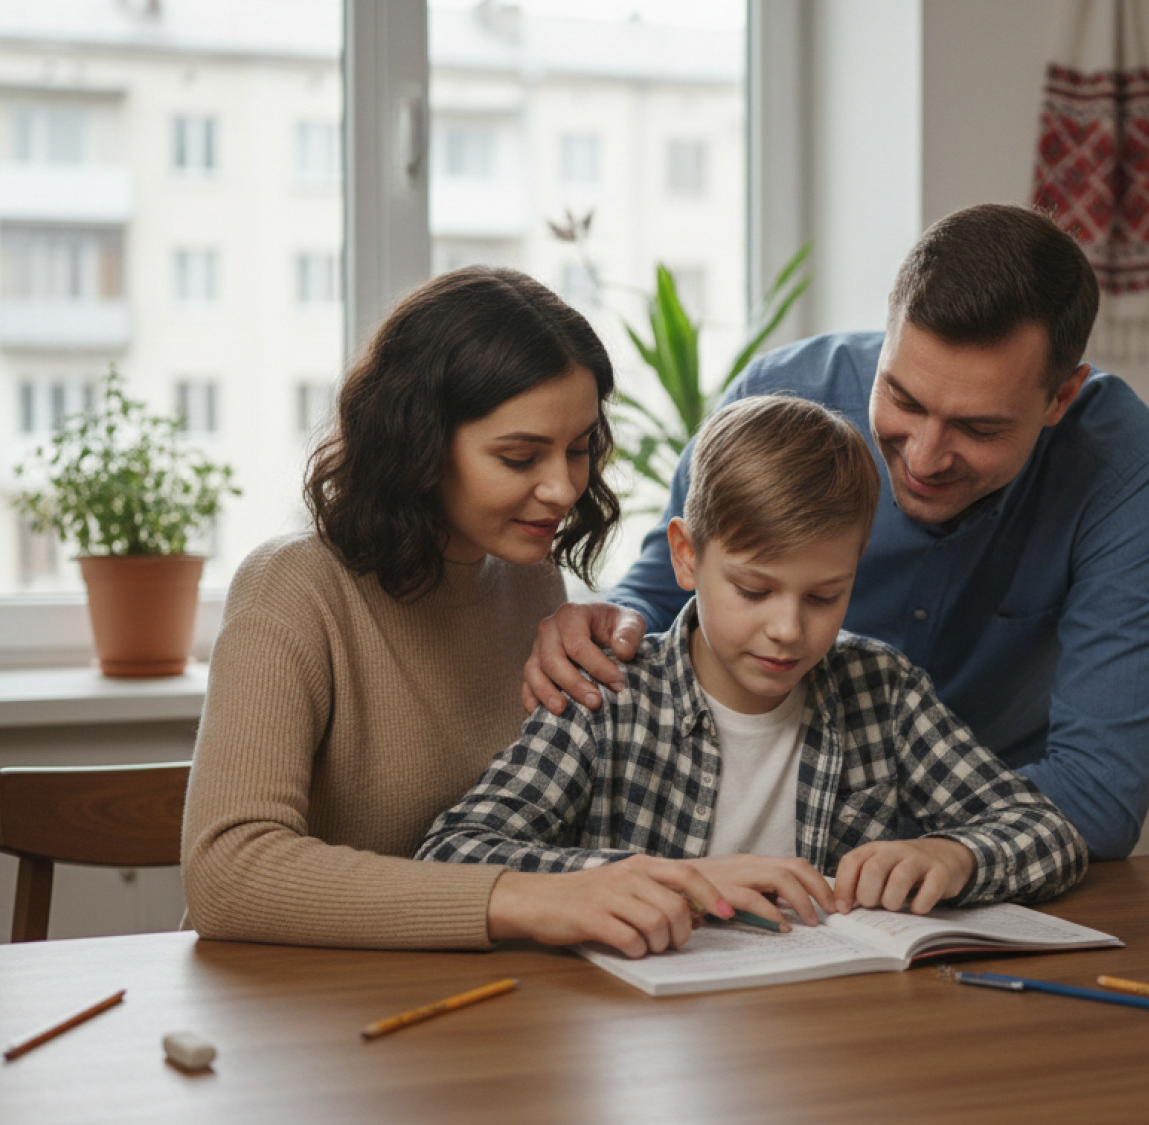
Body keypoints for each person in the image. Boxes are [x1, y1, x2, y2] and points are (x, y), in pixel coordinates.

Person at [522, 204, 1149, 860]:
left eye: (979, 429)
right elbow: (669, 592)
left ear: (1060, 399)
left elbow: (1100, 794)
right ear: (890, 333)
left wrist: (943, 853)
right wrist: (602, 626)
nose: (923, 459)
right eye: (903, 399)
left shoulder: (1122, 469)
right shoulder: (781, 397)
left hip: (984, 837)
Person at [182, 267, 738, 959]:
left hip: (463, 996)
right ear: (417, 442)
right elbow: (227, 873)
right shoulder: (292, 588)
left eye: (579, 448)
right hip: (295, 1007)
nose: (564, 487)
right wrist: (517, 897)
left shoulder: (532, 584)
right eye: (520, 455)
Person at [418, 395, 1084, 922]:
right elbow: (450, 856)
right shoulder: (607, 696)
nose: (788, 629)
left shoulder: (883, 690)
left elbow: (1047, 833)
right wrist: (671, 882)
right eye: (754, 590)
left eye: (825, 595)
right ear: (686, 554)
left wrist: (955, 853)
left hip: (819, 1034)